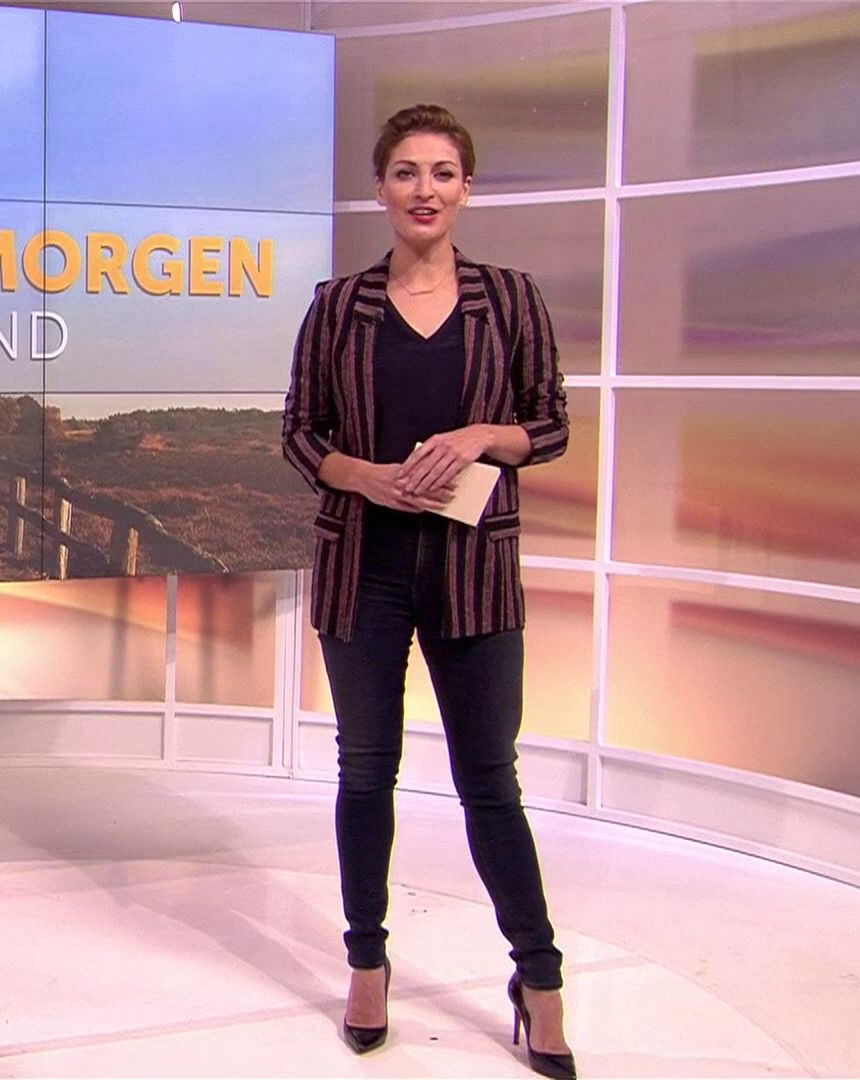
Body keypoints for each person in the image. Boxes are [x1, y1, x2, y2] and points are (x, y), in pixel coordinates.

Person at [281, 104, 575, 1079]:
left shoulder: (511, 299)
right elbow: (299, 434)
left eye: (443, 172)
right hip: (363, 570)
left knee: (491, 782)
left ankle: (539, 980)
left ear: (466, 188)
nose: (424, 189)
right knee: (366, 773)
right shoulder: (339, 305)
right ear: (380, 189)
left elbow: (550, 425)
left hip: (474, 573)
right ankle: (367, 964)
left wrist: (481, 435)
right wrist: (362, 476)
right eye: (406, 172)